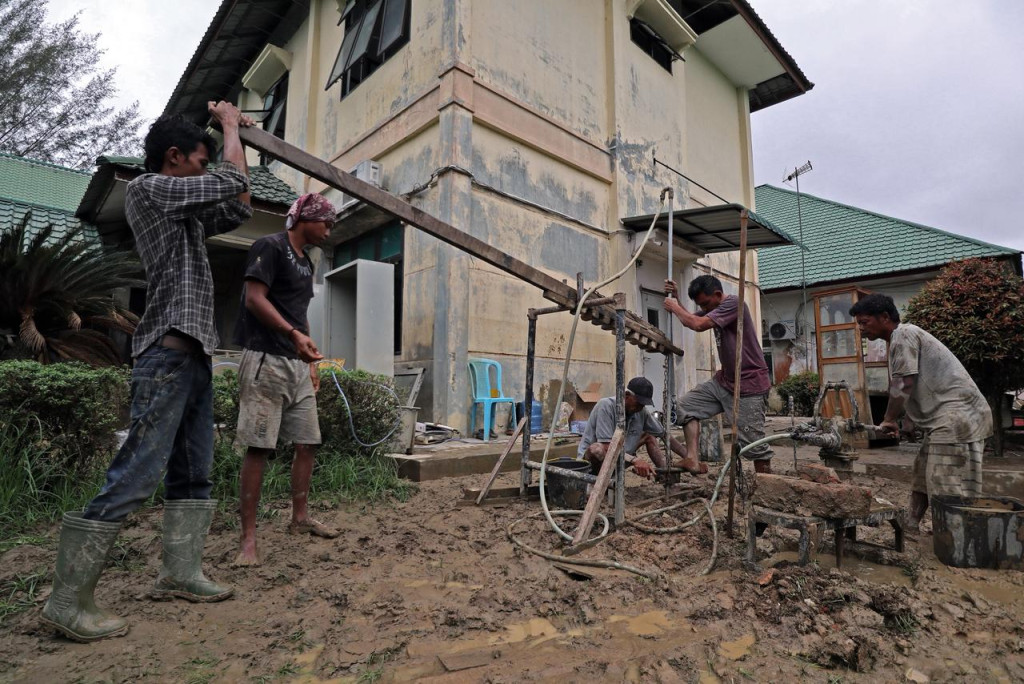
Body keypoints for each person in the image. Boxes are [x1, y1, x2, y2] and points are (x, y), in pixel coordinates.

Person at [41, 102, 254, 642]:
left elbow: (238, 204)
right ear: (174, 158)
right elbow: (228, 183)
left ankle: (179, 572)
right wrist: (230, 126)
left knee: (194, 474)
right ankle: (66, 601)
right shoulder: (148, 190)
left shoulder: (186, 205)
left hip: (196, 356)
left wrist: (232, 142)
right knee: (136, 473)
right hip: (166, 355)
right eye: (200, 162)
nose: (207, 171)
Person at [232, 193, 337, 567]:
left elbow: (300, 313)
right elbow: (254, 299)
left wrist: (310, 362)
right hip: (265, 358)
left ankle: (300, 517)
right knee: (259, 447)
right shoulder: (270, 246)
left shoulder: (307, 263)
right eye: (325, 221)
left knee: (308, 442)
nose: (328, 228)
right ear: (306, 218)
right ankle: (248, 540)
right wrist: (293, 336)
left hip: (296, 365)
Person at [850, 293, 992, 531]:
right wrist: (909, 421)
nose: (861, 329)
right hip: (947, 418)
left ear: (885, 317)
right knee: (922, 473)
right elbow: (916, 384)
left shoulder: (903, 335)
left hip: (958, 417)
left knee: (946, 482)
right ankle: (911, 525)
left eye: (865, 322)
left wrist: (889, 420)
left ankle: (955, 539)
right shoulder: (899, 339)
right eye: (859, 324)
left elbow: (903, 383)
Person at [663, 275, 773, 472]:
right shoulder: (712, 308)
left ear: (718, 294)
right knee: (685, 406)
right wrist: (678, 299)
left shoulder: (733, 303)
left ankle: (767, 485)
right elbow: (693, 319)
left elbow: (697, 324)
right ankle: (692, 459)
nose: (704, 309)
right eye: (701, 306)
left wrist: (673, 306)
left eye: (705, 304)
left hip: (749, 384)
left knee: (753, 445)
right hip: (724, 382)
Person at [577, 377, 707, 478]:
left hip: (619, 460)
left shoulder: (640, 411)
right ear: (626, 396)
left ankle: (666, 477)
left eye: (643, 405)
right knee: (597, 449)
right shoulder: (605, 406)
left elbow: (665, 436)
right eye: (638, 403)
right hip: (593, 464)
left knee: (649, 436)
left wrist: (692, 458)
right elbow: (606, 447)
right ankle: (592, 483)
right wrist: (635, 460)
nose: (640, 407)